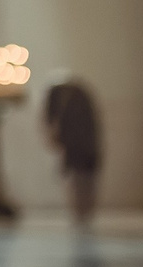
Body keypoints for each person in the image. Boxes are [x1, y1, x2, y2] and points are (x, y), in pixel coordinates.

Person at [42, 77, 103, 227]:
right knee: (80, 178)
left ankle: (83, 212)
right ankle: (82, 212)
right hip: (78, 147)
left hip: (83, 147)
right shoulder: (72, 98)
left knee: (82, 179)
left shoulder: (73, 99)